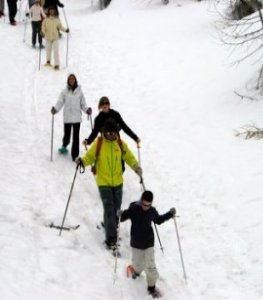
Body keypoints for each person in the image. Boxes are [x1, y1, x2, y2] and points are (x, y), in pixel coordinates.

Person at [75, 118, 142, 250]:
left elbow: (128, 156)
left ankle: (109, 224)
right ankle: (111, 239)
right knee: (109, 207)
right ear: (104, 132)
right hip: (103, 182)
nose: (111, 135)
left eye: (114, 133)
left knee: (116, 209)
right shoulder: (99, 143)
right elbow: (89, 157)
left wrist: (136, 167)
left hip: (118, 182)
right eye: (109, 133)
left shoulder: (120, 143)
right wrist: (82, 161)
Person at [117, 191, 176, 298]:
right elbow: (124, 216)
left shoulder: (152, 211)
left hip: (149, 243)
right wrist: (120, 215)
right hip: (136, 243)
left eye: (148, 205)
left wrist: (170, 214)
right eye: (144, 204)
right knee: (137, 264)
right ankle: (136, 270)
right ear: (141, 201)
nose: (146, 207)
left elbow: (158, 220)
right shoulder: (134, 208)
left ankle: (151, 287)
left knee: (150, 266)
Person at [51, 74, 92, 161]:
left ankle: (75, 155)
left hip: (77, 118)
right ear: (68, 81)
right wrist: (55, 109)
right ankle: (65, 145)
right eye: (70, 79)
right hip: (68, 117)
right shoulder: (64, 92)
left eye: (73, 79)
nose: (72, 80)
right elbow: (60, 102)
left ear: (75, 80)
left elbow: (83, 104)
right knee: (67, 134)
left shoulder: (80, 92)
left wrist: (87, 110)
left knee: (76, 137)